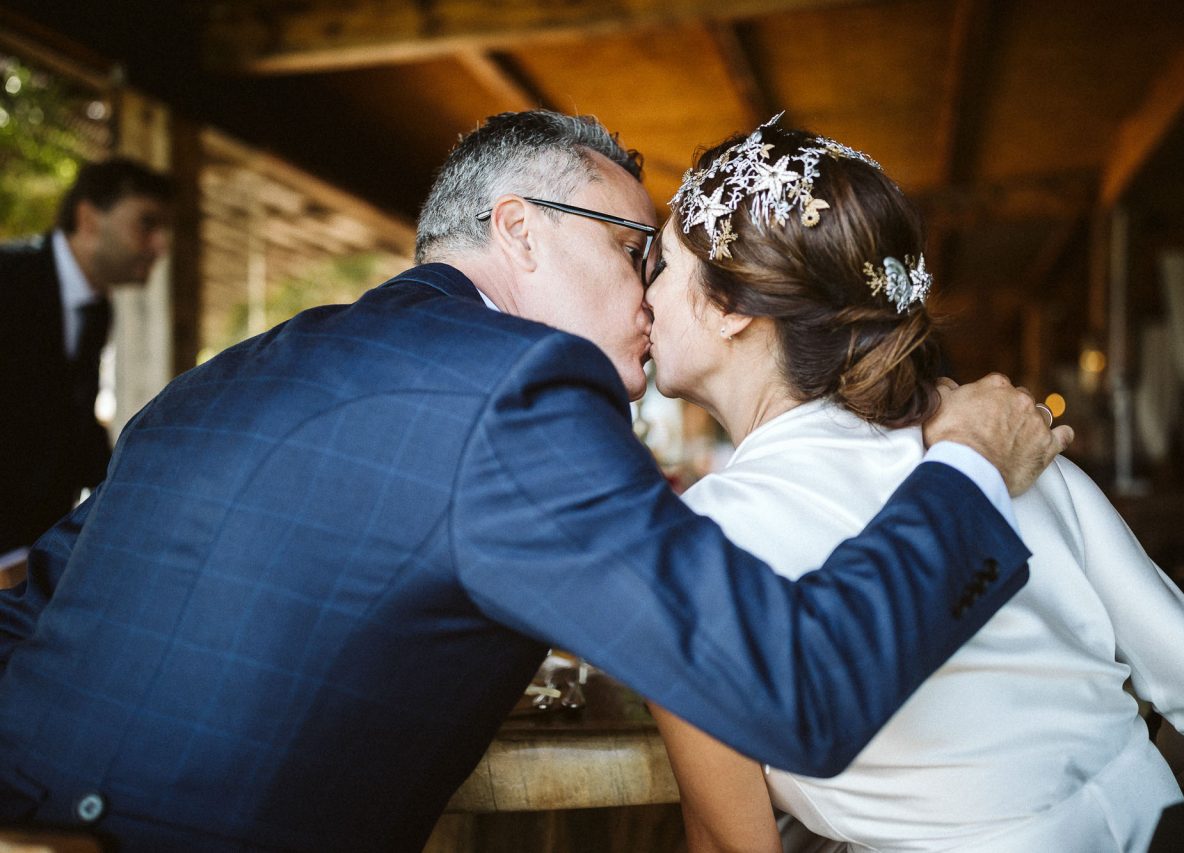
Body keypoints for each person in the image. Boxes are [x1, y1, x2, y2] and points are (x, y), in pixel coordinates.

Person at [0, 111, 1066, 853]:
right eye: (636, 250)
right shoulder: (517, 385)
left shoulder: (221, 378)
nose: (654, 291)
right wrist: (965, 466)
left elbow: (36, 607)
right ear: (518, 229)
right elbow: (792, 689)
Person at [644, 116, 1184, 853]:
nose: (643, 298)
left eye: (660, 269)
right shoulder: (1010, 450)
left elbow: (729, 843)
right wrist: (1123, 785)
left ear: (728, 307)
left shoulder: (701, 537)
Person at [0, 158, 173, 558]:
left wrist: (132, 501)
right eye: (147, 224)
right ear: (89, 219)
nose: (161, 246)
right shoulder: (8, 281)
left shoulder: (98, 309)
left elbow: (70, 425)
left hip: (33, 550)